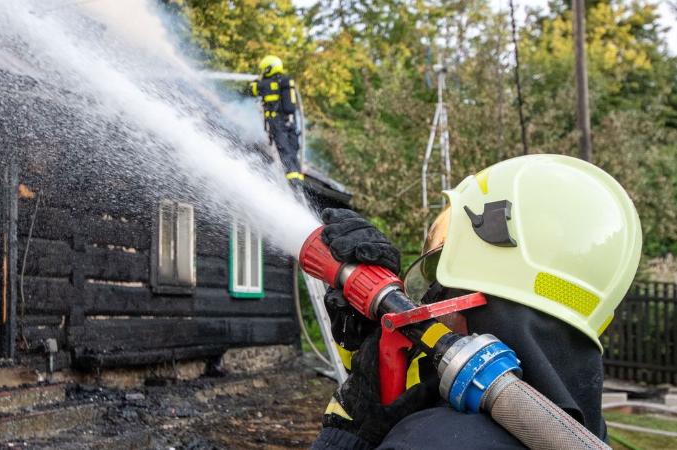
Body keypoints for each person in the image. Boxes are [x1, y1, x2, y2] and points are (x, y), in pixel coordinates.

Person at [311, 154, 642, 449]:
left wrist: (351, 434)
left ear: (481, 305)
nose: (428, 306)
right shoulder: (578, 427)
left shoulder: (433, 440)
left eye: (443, 289)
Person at [248, 55, 302, 185]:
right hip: (291, 122)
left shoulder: (266, 84)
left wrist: (257, 80)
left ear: (269, 69)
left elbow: (252, 90)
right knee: (293, 150)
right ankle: (297, 178)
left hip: (277, 122)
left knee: (283, 150)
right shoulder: (286, 81)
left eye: (264, 70)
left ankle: (291, 180)